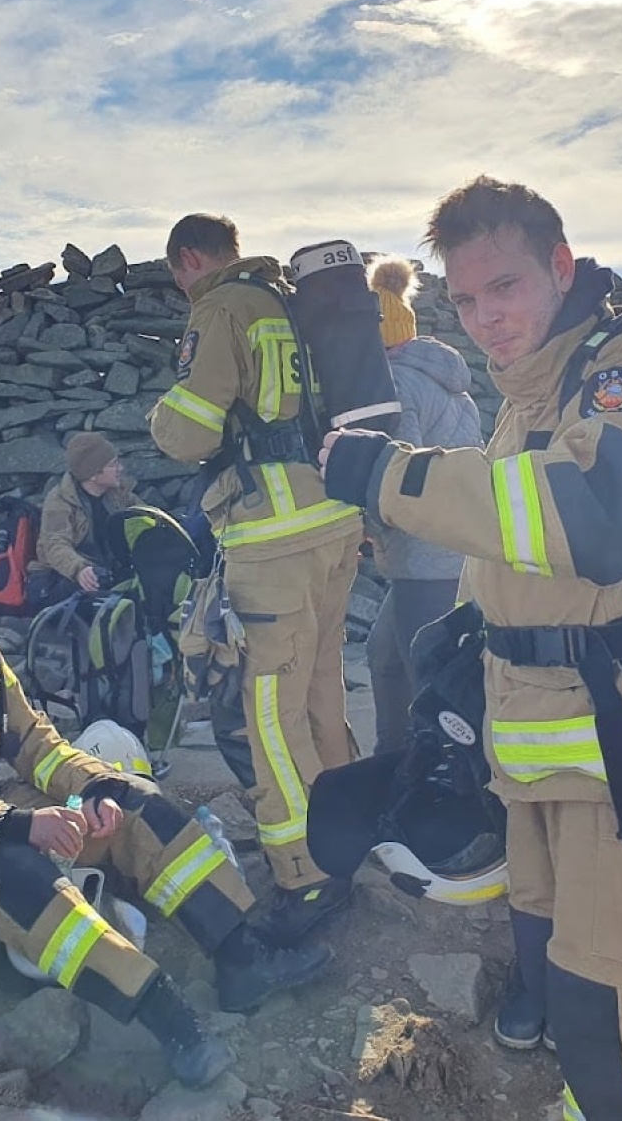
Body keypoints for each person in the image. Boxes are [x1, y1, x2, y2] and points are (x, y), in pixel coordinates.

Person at [320, 177, 622, 1121]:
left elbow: (598, 521)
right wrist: (463, 646)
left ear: (561, 267)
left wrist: (391, 477)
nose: (485, 318)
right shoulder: (531, 390)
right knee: (575, 1007)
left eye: (504, 286)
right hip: (545, 756)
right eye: (465, 299)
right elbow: (514, 544)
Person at [0, 519, 331, 1089]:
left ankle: (241, 956)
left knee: (137, 800)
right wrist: (15, 824)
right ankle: (169, 1020)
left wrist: (94, 788)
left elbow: (34, 742)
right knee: (10, 869)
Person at [150, 214, 364, 942]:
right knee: (322, 690)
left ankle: (306, 873)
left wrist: (160, 417)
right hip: (335, 520)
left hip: (274, 538)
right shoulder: (290, 302)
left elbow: (190, 431)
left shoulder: (220, 308)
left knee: (269, 712)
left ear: (188, 259)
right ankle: (347, 835)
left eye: (176, 274)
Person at [364, 255, 483, 755]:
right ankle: (396, 760)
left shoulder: (395, 383)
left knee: (422, 673)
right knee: (385, 657)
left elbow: (398, 472)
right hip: (451, 544)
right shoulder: (449, 382)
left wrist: (370, 528)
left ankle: (429, 771)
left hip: (423, 553)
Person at [31, 432, 140, 598]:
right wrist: (79, 569)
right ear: (93, 474)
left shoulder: (119, 494)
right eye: (113, 464)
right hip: (61, 576)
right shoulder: (60, 501)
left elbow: (146, 516)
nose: (121, 468)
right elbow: (55, 544)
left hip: (107, 570)